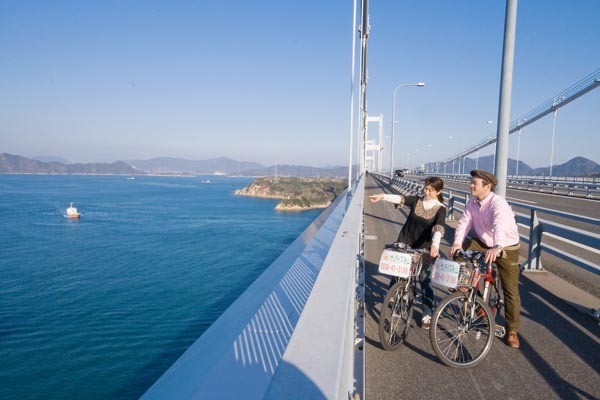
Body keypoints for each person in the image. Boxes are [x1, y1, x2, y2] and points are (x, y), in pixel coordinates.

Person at [449, 169, 522, 349]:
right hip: (483, 242)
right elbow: (464, 223)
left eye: (475, 183)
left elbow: (499, 225)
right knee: (460, 254)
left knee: (510, 290)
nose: (471, 185)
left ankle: (512, 330)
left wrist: (498, 247)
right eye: (471, 182)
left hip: (506, 246)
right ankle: (473, 295)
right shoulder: (472, 202)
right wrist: (457, 243)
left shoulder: (498, 203)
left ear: (487, 186)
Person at [370, 176, 446, 330]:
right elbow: (401, 198)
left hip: (424, 249)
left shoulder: (440, 209)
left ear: (438, 192)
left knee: (424, 281)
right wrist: (382, 196)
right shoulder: (417, 200)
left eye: (431, 190)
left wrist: (435, 245)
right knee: (398, 273)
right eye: (425, 187)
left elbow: (438, 228)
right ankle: (394, 295)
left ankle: (427, 314)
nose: (426, 191)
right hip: (405, 242)